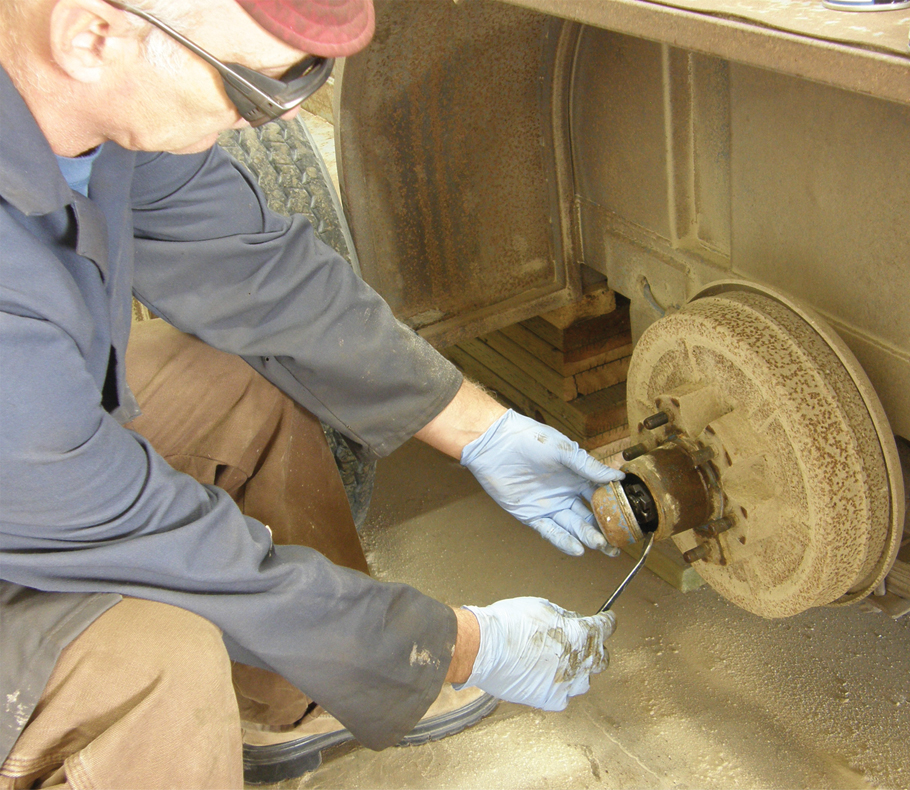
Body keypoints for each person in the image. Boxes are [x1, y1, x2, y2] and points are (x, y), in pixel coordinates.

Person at [0, 0, 625, 786]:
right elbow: (121, 527)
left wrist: (481, 430)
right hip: (42, 496)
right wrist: (451, 645)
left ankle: (294, 693)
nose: (266, 124)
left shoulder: (94, 108)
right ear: (92, 35)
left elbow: (259, 275)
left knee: (230, 389)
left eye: (300, 81)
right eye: (253, 88)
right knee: (157, 661)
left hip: (29, 454)